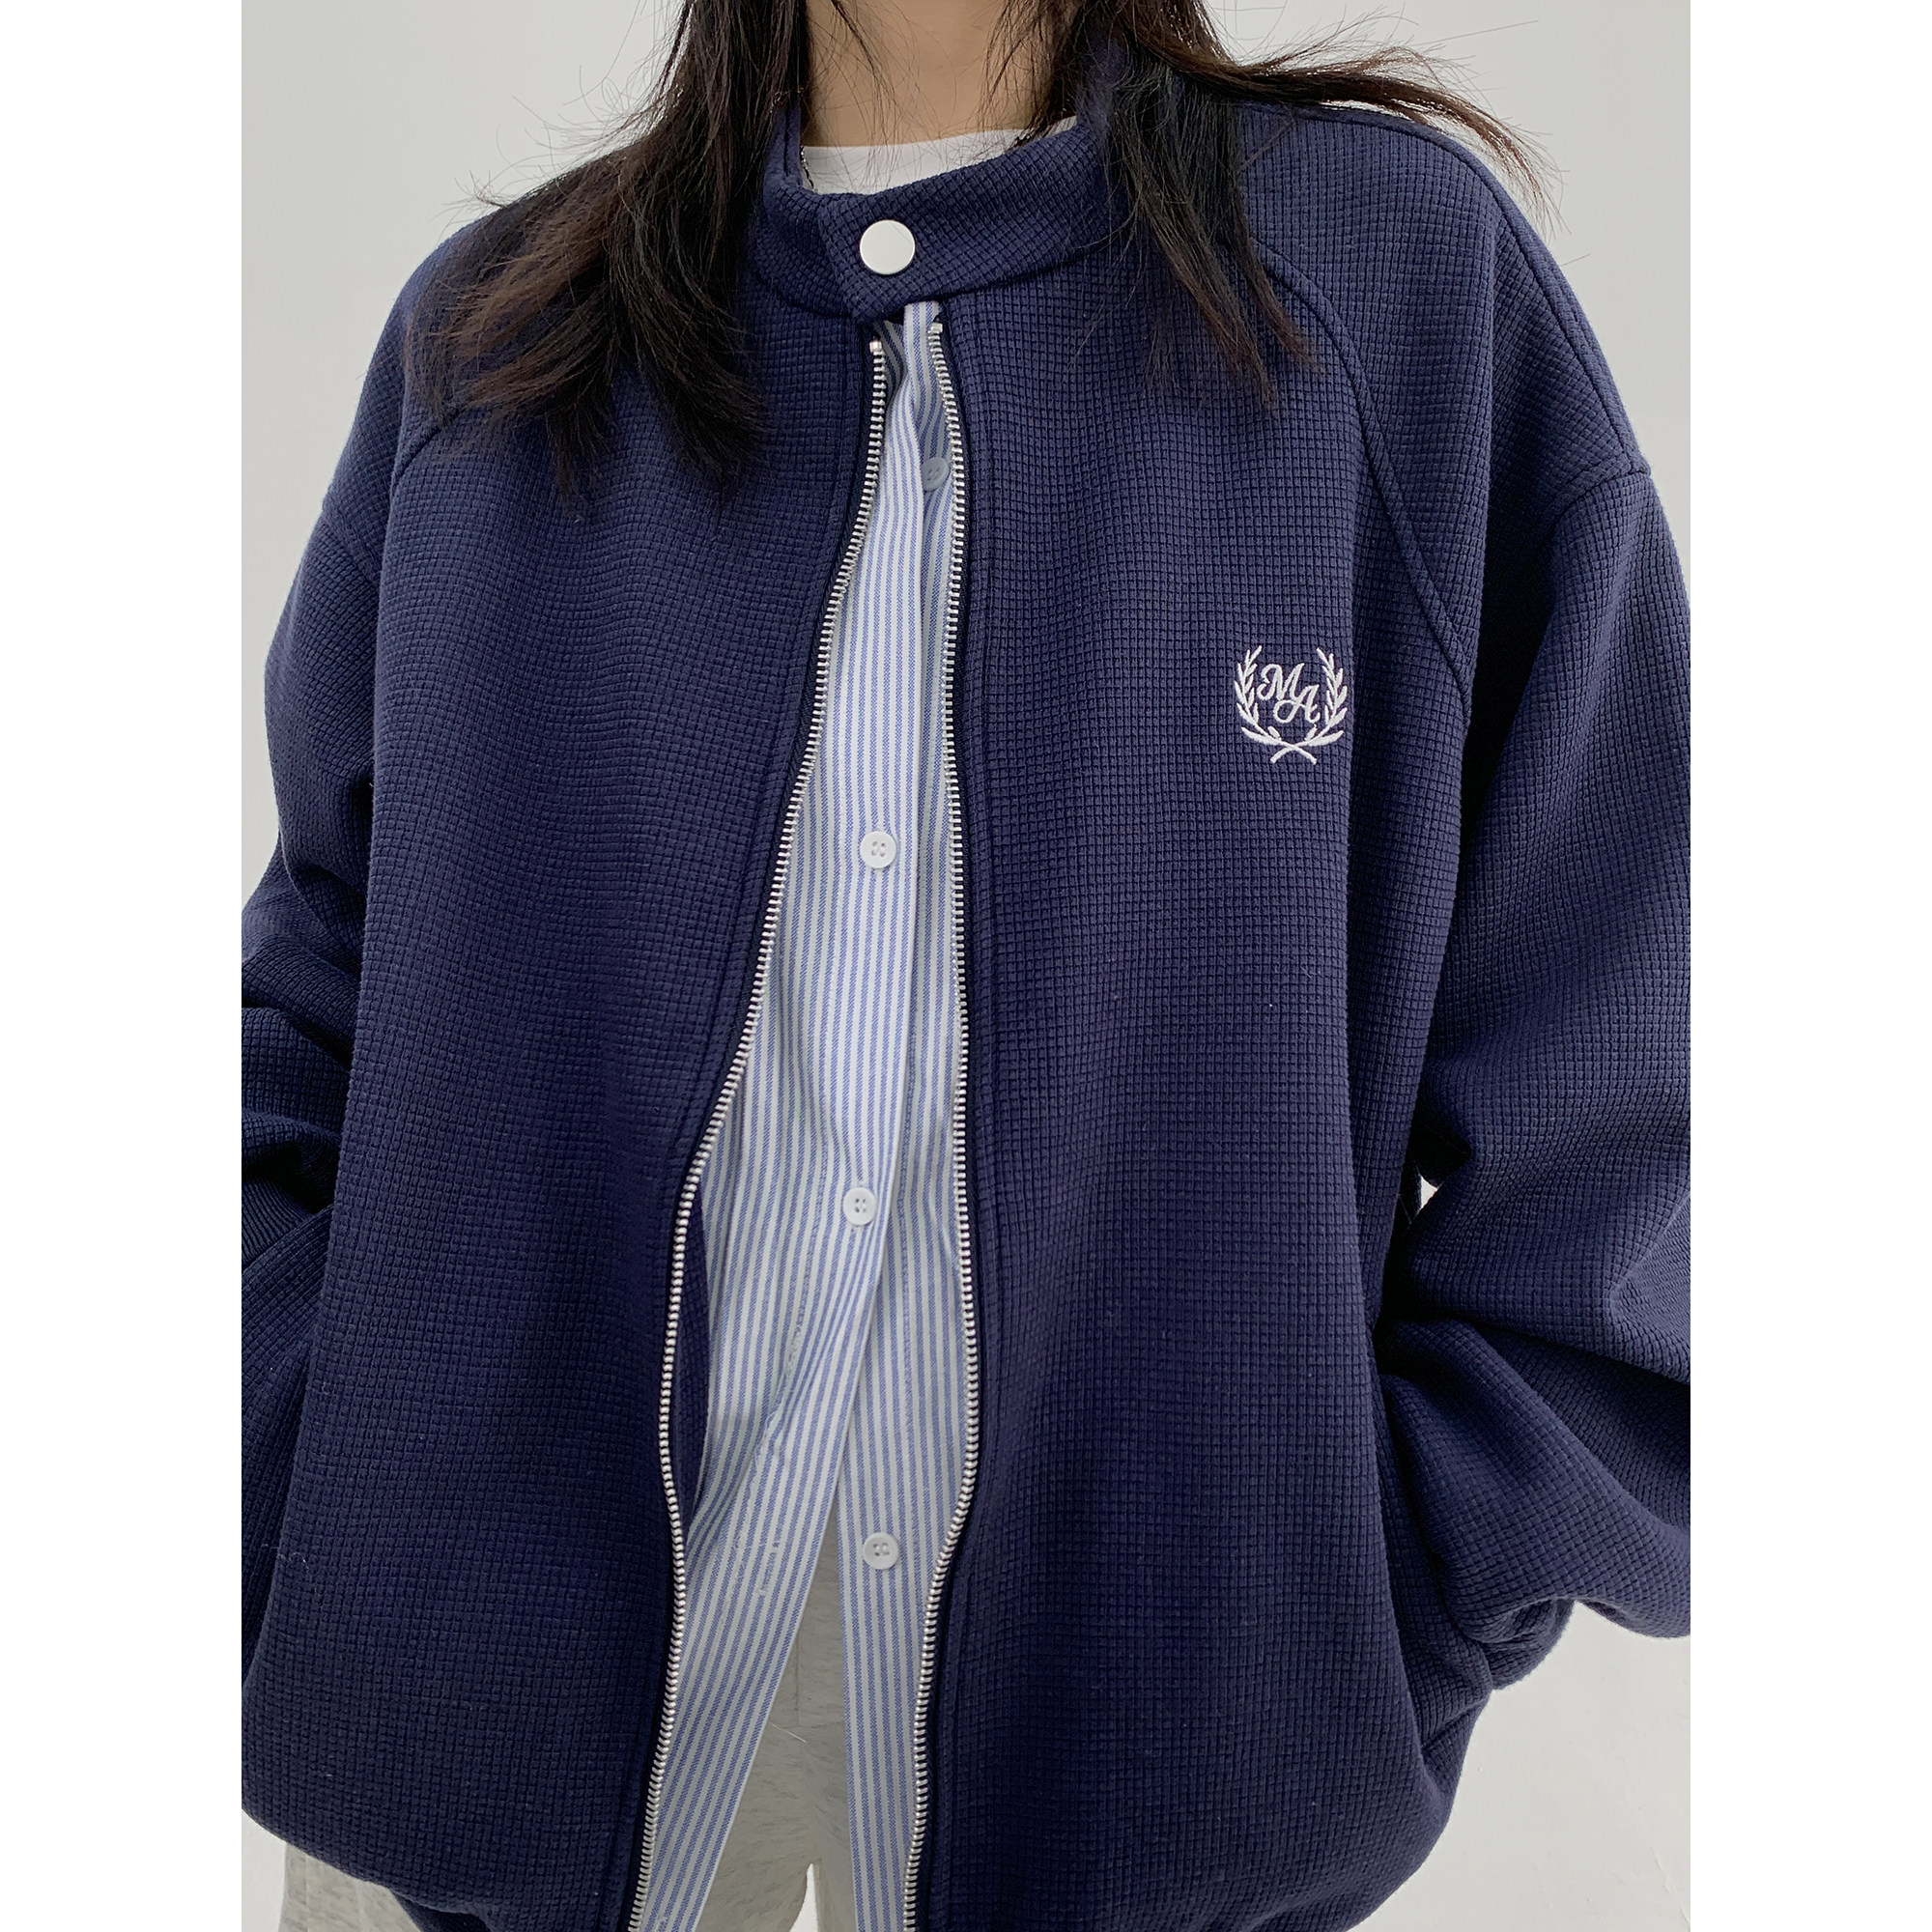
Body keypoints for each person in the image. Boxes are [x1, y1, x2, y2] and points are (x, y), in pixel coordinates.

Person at [241, 0, 1690, 1926]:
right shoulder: (491, 344)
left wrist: (1365, 1628)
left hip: (1143, 1789)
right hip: (451, 1773)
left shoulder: (1391, 284)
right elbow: (293, 1018)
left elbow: (1635, 1067)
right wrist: (297, 1509)